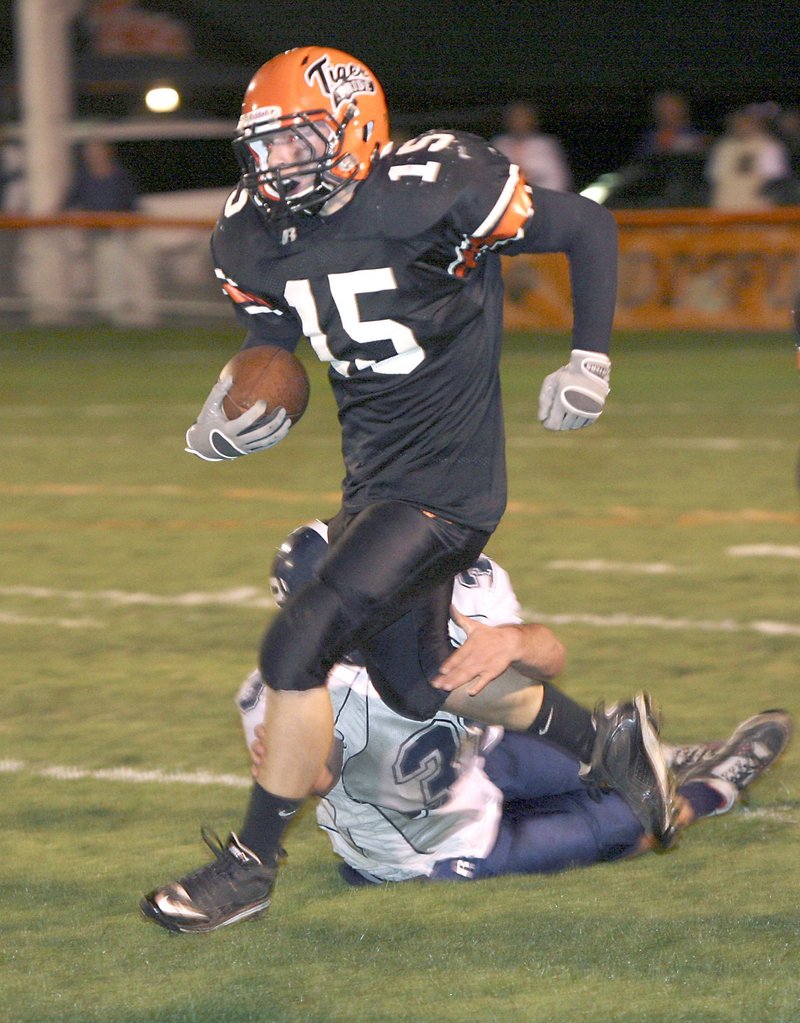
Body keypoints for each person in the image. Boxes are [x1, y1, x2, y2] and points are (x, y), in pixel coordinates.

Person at [140, 46, 674, 934]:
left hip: (449, 484)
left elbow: (587, 226)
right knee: (419, 683)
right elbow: (271, 342)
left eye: (296, 140)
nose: (274, 164)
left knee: (298, 641)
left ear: (355, 128)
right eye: (263, 146)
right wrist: (226, 412)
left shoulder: (436, 183)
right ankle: (606, 743)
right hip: (375, 477)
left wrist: (589, 359)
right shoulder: (255, 229)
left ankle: (249, 866)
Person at [236, 522, 792, 886]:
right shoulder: (281, 689)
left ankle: (661, 757)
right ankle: (713, 786)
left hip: (482, 754)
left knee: (595, 753)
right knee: (636, 824)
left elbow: (549, 658)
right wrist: (300, 765)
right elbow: (317, 775)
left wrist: (515, 642)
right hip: (428, 844)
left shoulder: (455, 587)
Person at [705, 105, 790, 211]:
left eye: (747, 121)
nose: (742, 125)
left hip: (758, 207)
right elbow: (714, 177)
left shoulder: (769, 145)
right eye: (738, 122)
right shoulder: (723, 146)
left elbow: (775, 180)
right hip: (725, 206)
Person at [491, 99, 572, 192]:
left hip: (541, 198)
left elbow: (558, 178)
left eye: (523, 117)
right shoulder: (500, 144)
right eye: (515, 117)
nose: (519, 122)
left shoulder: (544, 145)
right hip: (506, 200)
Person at [635, 91, 708, 159]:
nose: (671, 113)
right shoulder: (651, 138)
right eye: (666, 109)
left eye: (674, 108)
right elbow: (644, 160)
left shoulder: (698, 134)